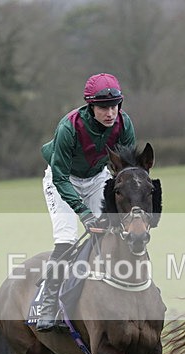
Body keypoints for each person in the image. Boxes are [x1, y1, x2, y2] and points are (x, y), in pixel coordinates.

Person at [35, 72, 136, 331]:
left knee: (111, 232)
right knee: (67, 239)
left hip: (97, 178)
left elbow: (125, 170)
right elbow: (59, 176)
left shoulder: (124, 124)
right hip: (63, 180)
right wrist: (84, 213)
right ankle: (48, 303)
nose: (110, 113)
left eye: (114, 106)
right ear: (91, 107)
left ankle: (121, 292)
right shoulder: (69, 127)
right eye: (103, 107)